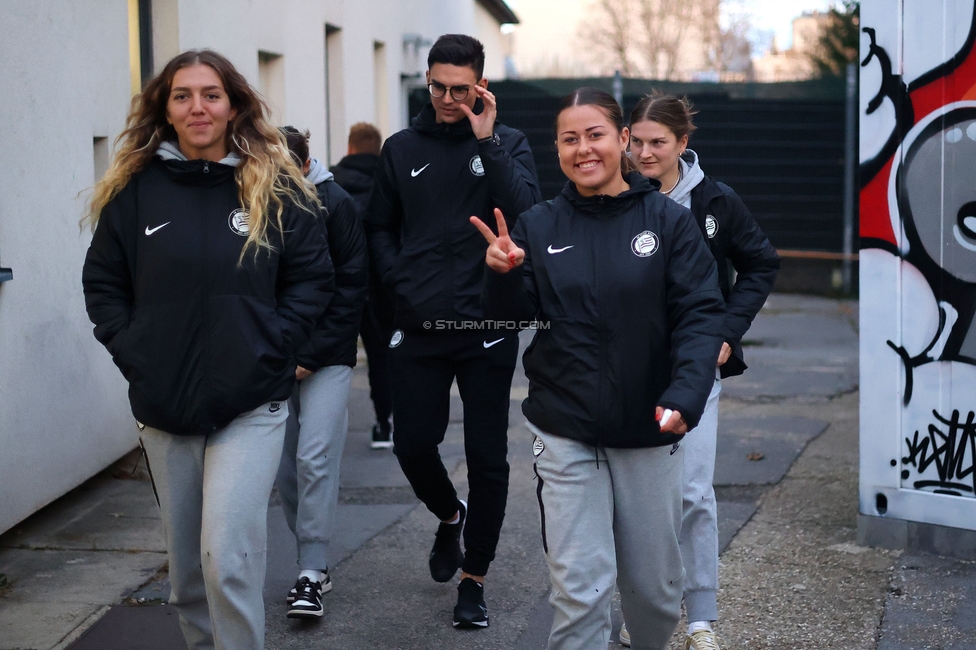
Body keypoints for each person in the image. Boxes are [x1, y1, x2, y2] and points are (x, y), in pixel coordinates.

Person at [81, 50, 334, 650]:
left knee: (227, 559)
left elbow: (312, 277)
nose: (198, 106)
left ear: (233, 105)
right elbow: (103, 284)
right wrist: (136, 352)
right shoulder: (135, 194)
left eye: (211, 94)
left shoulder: (274, 188)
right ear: (165, 110)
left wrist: (275, 348)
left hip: (252, 403)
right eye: (182, 95)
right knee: (190, 575)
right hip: (164, 405)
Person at [471, 87, 726, 650]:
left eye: (595, 135)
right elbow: (511, 316)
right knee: (580, 591)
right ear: (557, 149)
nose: (583, 149)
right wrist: (504, 274)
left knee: (655, 597)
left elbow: (701, 315)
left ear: (623, 140)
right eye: (569, 139)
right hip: (564, 429)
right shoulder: (539, 225)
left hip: (648, 428)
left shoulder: (667, 221)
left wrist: (685, 394)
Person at [364, 33, 541, 628]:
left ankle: (476, 577)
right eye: (437, 86)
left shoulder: (507, 141)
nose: (445, 98)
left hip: (489, 324)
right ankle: (449, 516)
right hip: (419, 324)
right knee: (413, 444)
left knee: (488, 456)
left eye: (459, 89)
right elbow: (380, 226)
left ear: (481, 86)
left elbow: (527, 208)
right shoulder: (401, 146)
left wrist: (486, 139)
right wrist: (398, 280)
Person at [618, 93, 781, 650]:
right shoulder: (611, 196)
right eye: (635, 141)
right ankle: (644, 609)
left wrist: (725, 334)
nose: (643, 153)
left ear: (682, 144)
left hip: (695, 370)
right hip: (628, 371)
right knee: (639, 499)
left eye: (657, 143)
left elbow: (761, 263)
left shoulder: (715, 201)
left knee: (690, 492)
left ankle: (700, 617)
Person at [275, 126, 368, 619]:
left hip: (326, 358)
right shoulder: (257, 201)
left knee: (314, 457)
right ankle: (311, 560)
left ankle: (311, 570)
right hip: (273, 358)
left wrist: (309, 356)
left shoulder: (338, 205)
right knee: (285, 467)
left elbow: (351, 289)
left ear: (307, 165)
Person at [331, 122, 395, 449]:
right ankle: (384, 424)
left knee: (330, 360)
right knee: (381, 356)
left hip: (337, 286)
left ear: (350, 149)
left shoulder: (330, 182)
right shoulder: (388, 183)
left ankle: (324, 431)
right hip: (380, 284)